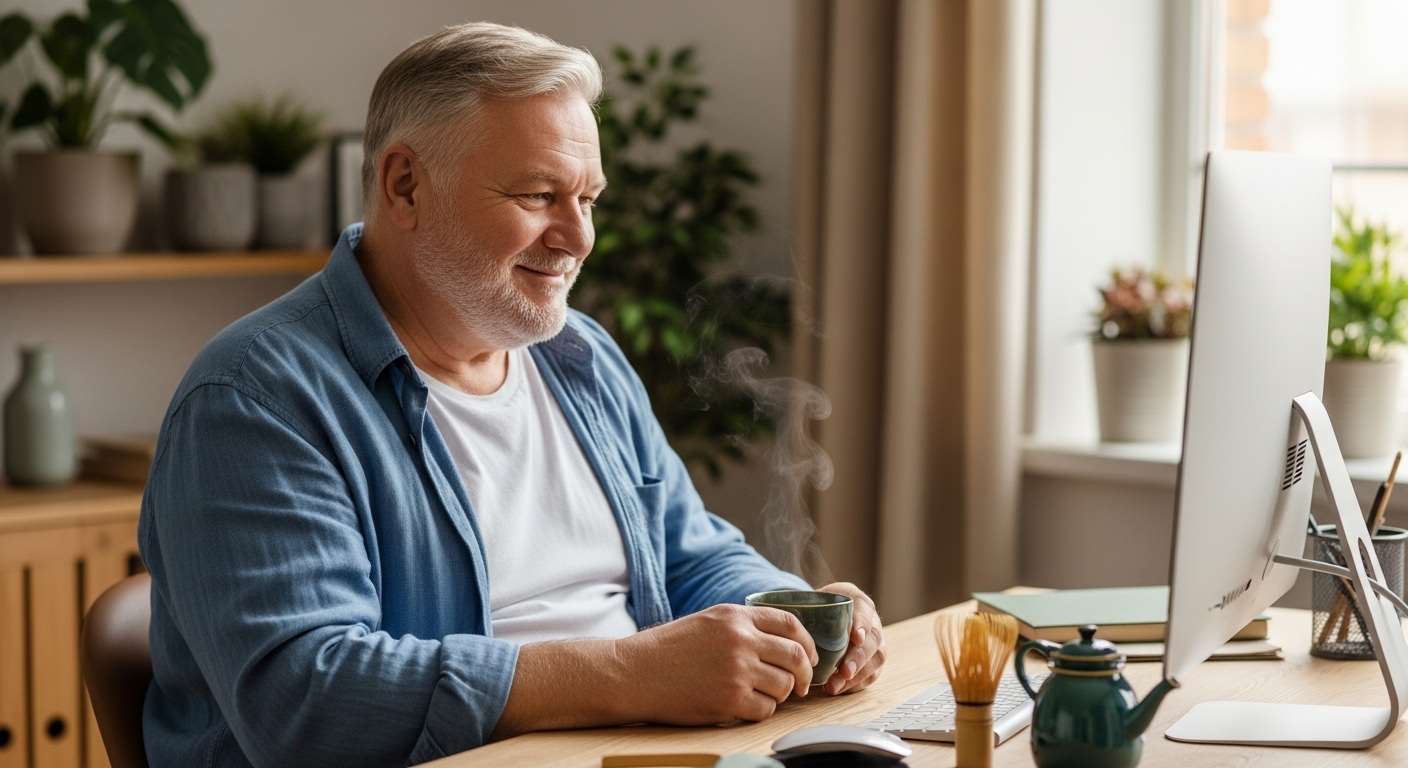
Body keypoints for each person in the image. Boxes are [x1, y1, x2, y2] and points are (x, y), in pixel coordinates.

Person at [139, 22, 884, 767]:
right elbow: (307, 702)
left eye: (588, 198)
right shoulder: (252, 400)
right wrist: (631, 674)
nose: (580, 237)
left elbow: (689, 554)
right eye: (540, 194)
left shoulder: (580, 356)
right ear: (405, 186)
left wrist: (792, 618)